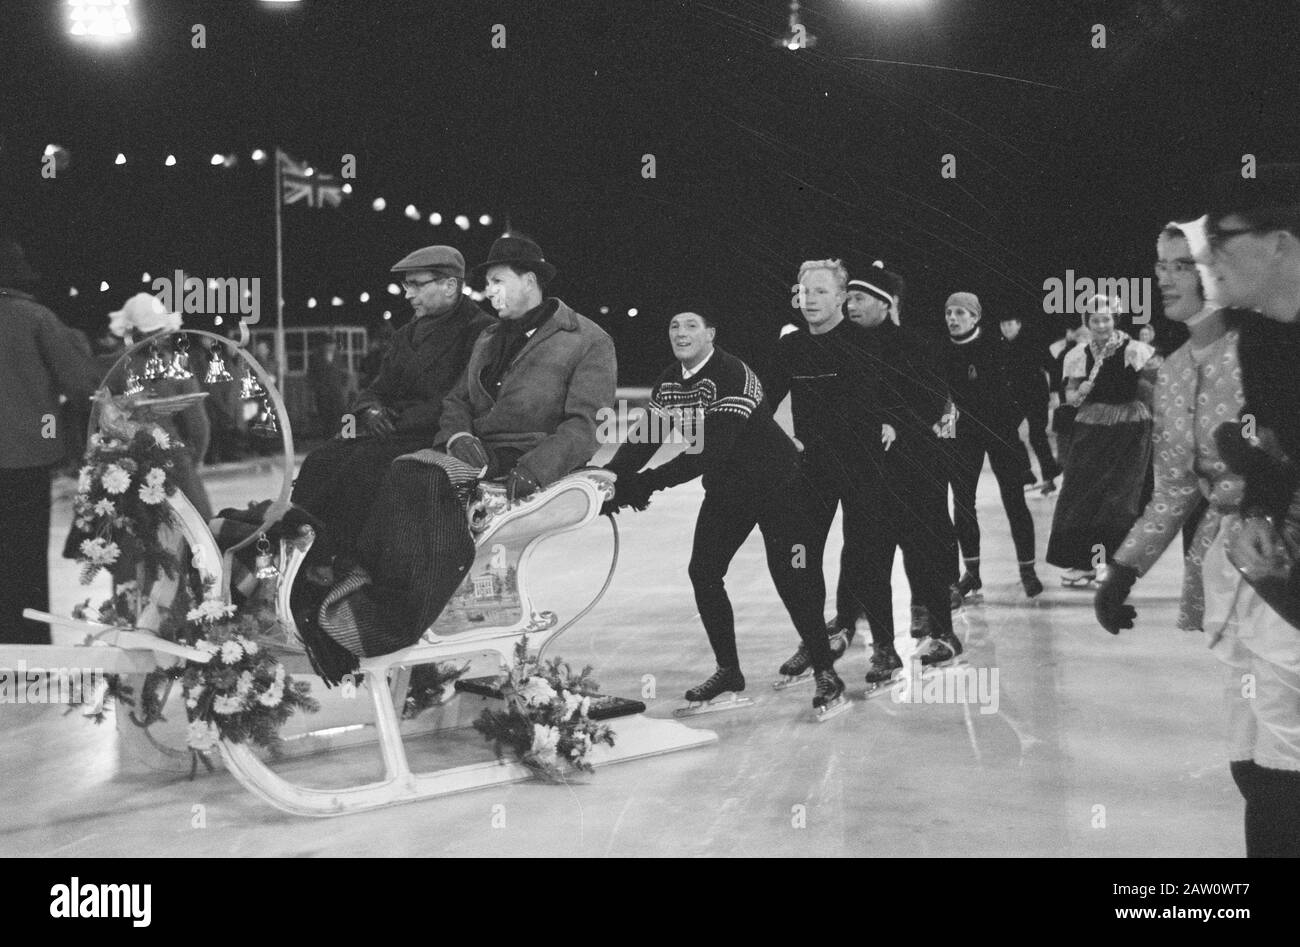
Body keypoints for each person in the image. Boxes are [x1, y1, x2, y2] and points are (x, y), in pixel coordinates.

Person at [316, 235, 616, 662]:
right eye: (487, 283)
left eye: (497, 281)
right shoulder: (490, 337)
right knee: (397, 468)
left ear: (529, 280)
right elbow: (457, 402)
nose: (488, 292)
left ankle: (398, 613)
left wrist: (534, 468)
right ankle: (361, 579)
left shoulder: (587, 339)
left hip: (523, 457)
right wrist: (459, 438)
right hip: (474, 450)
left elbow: (585, 426)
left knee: (414, 474)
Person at [605, 309, 846, 718]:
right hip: (728, 492)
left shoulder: (731, 373)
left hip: (779, 487)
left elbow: (708, 451)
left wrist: (645, 483)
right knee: (704, 571)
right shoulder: (669, 382)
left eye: (691, 326)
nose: (680, 333)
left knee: (793, 573)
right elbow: (645, 439)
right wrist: (610, 477)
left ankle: (825, 670)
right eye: (674, 326)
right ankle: (729, 672)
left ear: (711, 333)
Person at [1193, 164, 1300, 856]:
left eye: (1221, 242)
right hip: (1276, 575)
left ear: (1282, 242)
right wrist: (1260, 505)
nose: (1209, 261)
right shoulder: (1258, 335)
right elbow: (1275, 447)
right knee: (1253, 760)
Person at [290, 245, 493, 558]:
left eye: (416, 285)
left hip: (434, 435)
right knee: (320, 459)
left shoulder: (479, 331)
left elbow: (458, 399)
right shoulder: (405, 335)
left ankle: (343, 559)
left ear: (450, 285)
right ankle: (295, 543)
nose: (408, 295)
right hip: (392, 430)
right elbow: (377, 388)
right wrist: (370, 410)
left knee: (361, 469)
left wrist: (394, 420)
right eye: (406, 285)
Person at [762, 259, 891, 684]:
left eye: (821, 292)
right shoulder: (791, 347)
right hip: (812, 469)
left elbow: (888, 397)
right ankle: (814, 641)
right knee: (801, 557)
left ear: (840, 298)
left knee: (867, 557)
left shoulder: (864, 342)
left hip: (863, 468)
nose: (810, 299)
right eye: (805, 292)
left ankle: (886, 649)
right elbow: (761, 405)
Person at [842, 265, 962, 685]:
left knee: (922, 553)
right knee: (871, 558)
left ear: (884, 304)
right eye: (849, 297)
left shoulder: (915, 343)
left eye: (859, 298)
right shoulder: (845, 346)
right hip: (867, 468)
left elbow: (932, 400)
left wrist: (896, 424)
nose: (850, 304)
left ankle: (944, 633)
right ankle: (883, 648)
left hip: (915, 466)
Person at [0, 238, 101, 643]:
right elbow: (80, 386)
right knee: (25, 557)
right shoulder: (37, 318)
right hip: (29, 457)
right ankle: (27, 647)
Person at [939, 292, 1043, 605]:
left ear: (975, 317)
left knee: (1014, 501)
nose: (953, 319)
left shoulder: (999, 347)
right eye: (948, 313)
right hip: (964, 437)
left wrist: (1011, 422)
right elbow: (941, 396)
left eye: (959, 313)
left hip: (1000, 434)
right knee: (963, 503)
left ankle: (1028, 570)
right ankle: (971, 573)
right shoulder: (943, 351)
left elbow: (1028, 388)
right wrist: (946, 433)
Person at [1046, 296, 1156, 587]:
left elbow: (1153, 387)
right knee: (1081, 494)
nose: (1101, 325)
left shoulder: (1135, 350)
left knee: (1118, 498)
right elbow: (1070, 396)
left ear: (1115, 320)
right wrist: (1077, 391)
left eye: (1106, 319)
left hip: (1129, 430)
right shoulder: (1078, 354)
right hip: (1091, 428)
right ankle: (1085, 565)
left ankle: (1110, 566)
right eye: (1095, 320)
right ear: (1087, 323)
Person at [999, 314, 1063, 494]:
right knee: (1006, 431)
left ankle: (1049, 477)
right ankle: (1026, 472)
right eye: (1003, 324)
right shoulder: (1000, 346)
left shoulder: (1033, 342)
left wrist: (1054, 392)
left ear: (1018, 324)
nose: (1006, 328)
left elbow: (1054, 366)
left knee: (1037, 436)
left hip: (1036, 396)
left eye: (1009, 323)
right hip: (1013, 398)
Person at [307, 338, 348, 438]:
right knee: (325, 416)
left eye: (332, 345)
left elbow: (343, 372)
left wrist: (342, 386)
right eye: (328, 345)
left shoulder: (338, 357)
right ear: (324, 346)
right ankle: (327, 437)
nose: (330, 347)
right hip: (322, 393)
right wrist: (316, 388)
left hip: (336, 392)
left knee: (337, 415)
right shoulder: (316, 357)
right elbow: (311, 374)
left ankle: (336, 436)